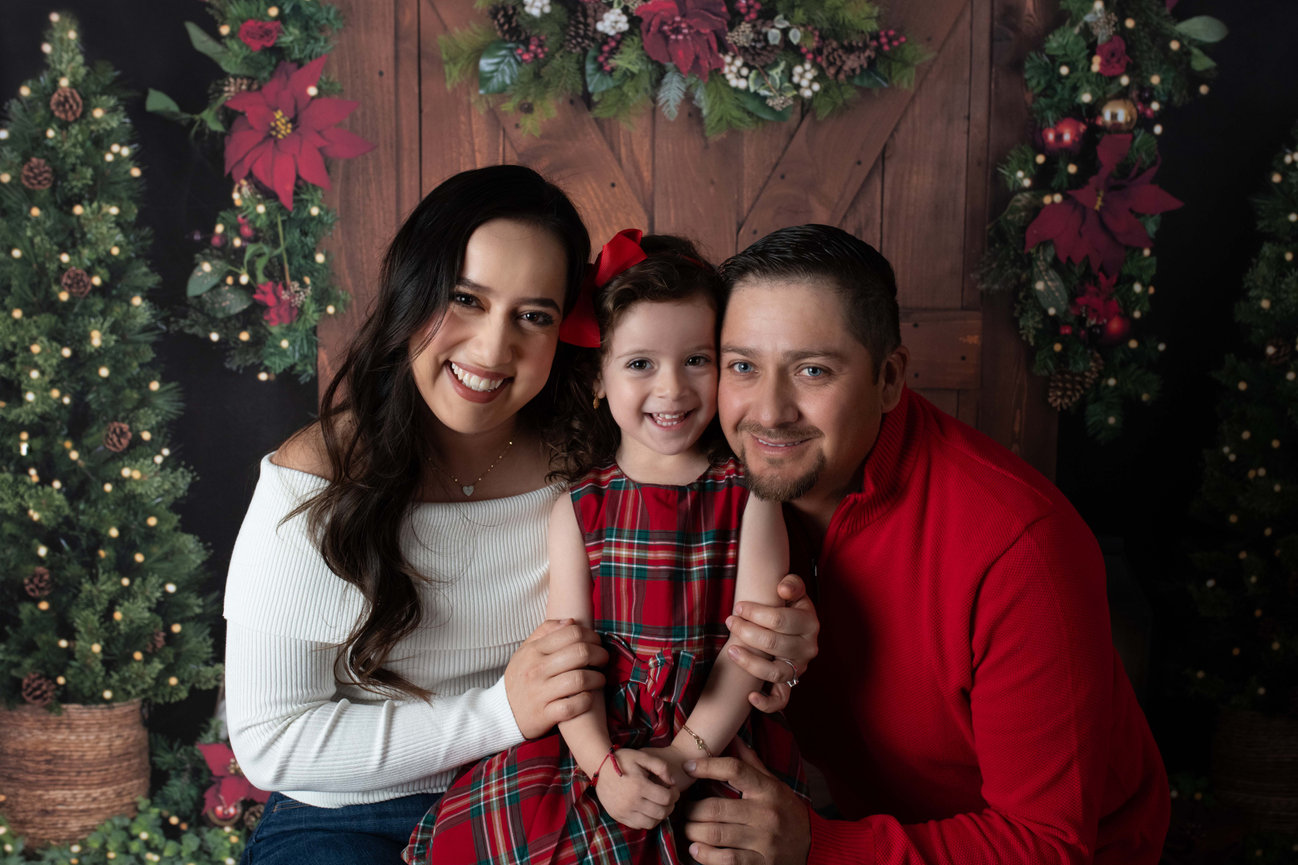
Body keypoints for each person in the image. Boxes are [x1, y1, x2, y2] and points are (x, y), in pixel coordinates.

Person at [222, 167, 818, 865]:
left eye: (533, 316)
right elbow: (271, 741)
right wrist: (502, 712)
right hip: (351, 811)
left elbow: (696, 597)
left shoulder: (593, 462)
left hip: (552, 788)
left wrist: (782, 643)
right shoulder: (320, 478)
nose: (491, 349)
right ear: (414, 291)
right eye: (465, 299)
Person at [679, 224, 1170, 865]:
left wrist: (818, 844)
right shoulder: (712, 488)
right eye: (742, 366)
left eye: (813, 370)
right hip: (869, 827)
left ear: (888, 379)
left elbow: (1049, 844)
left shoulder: (1019, 548)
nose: (769, 412)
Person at [407, 230, 807, 865]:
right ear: (599, 375)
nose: (672, 389)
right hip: (600, 738)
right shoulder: (579, 506)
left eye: (697, 360)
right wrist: (603, 767)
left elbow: (749, 655)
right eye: (641, 363)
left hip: (714, 732)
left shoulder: (750, 495)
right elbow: (569, 658)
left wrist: (685, 755)